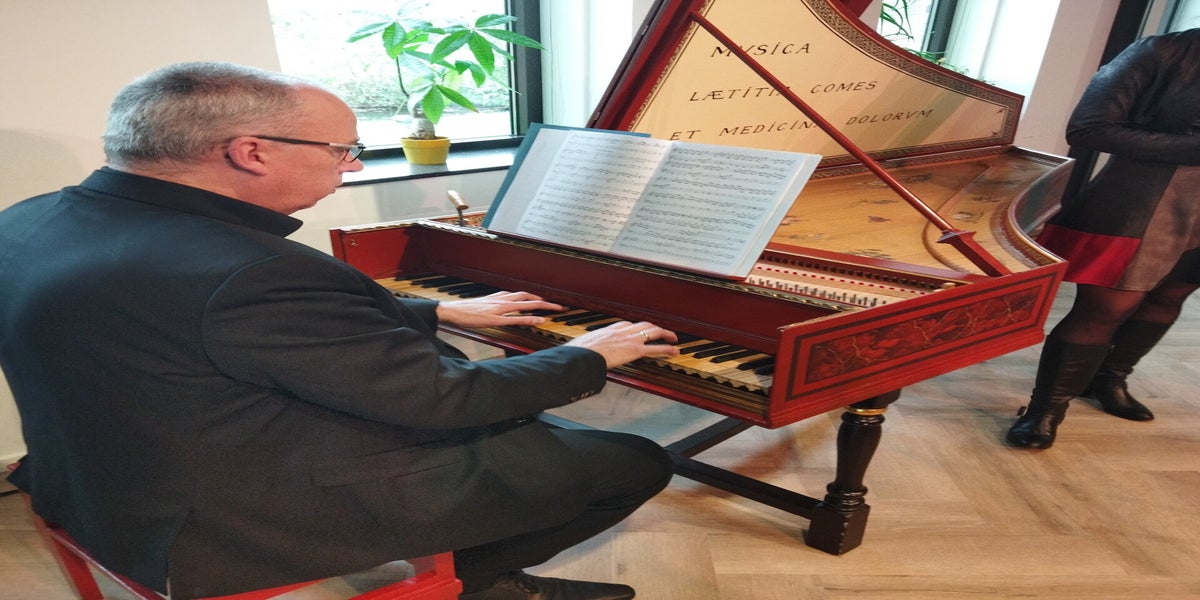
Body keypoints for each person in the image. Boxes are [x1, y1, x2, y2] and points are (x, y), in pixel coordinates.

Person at [0, 61, 682, 600]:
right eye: (342, 150)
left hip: (92, 475)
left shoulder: (28, 220)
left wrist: (435, 311)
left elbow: (207, 328)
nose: (351, 165)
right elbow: (445, 398)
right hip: (218, 519)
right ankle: (479, 584)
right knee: (630, 460)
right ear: (250, 152)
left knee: (510, 414)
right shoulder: (254, 270)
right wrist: (588, 354)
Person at [1006, 29, 1200, 449]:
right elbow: (1089, 128)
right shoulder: (1162, 51)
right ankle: (1045, 410)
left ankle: (1109, 379)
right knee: (1106, 308)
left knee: (1170, 296)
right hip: (1147, 198)